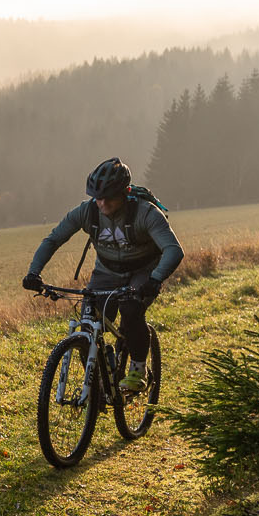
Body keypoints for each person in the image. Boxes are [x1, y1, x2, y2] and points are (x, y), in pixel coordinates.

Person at [22, 157, 184, 393]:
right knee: (89, 322)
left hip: (143, 271)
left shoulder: (146, 213)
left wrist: (155, 279)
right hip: (106, 272)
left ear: (125, 192)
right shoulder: (86, 211)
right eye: (97, 197)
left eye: (108, 197)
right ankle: (100, 375)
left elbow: (173, 250)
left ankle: (138, 370)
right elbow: (53, 239)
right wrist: (33, 272)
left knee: (131, 311)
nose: (102, 203)